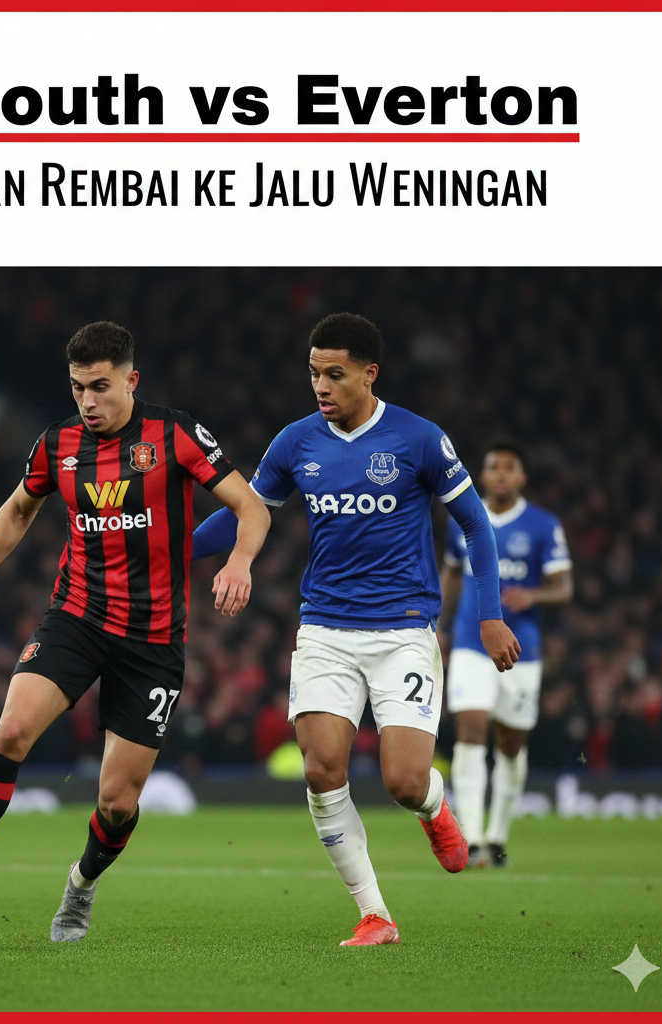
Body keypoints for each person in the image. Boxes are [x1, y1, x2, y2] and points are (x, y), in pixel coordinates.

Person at [192, 313, 520, 946]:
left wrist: (489, 615)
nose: (321, 385)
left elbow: (476, 526)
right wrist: (170, 547)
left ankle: (433, 804)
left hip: (403, 631)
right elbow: (242, 514)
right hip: (325, 629)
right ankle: (375, 914)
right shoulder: (295, 443)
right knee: (322, 771)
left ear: (370, 374)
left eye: (335, 374)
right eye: (314, 373)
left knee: (403, 781)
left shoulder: (419, 439)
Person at [0, 321, 270, 942]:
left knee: (117, 803)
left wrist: (240, 561)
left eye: (99, 386)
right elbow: (18, 510)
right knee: (11, 729)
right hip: (77, 616)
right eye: (77, 387)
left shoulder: (173, 434)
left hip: (153, 640)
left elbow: (249, 505)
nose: (87, 401)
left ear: (130, 380)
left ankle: (81, 883)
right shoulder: (57, 443)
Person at [439, 440, 572, 868]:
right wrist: (438, 626)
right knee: (470, 730)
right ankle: (473, 840)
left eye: (509, 467)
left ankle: (497, 837)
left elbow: (564, 587)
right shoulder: (462, 518)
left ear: (522, 477)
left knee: (511, 744)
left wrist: (533, 595)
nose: (500, 473)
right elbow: (452, 574)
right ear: (481, 475)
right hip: (469, 643)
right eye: (493, 466)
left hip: (521, 650)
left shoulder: (542, 525)